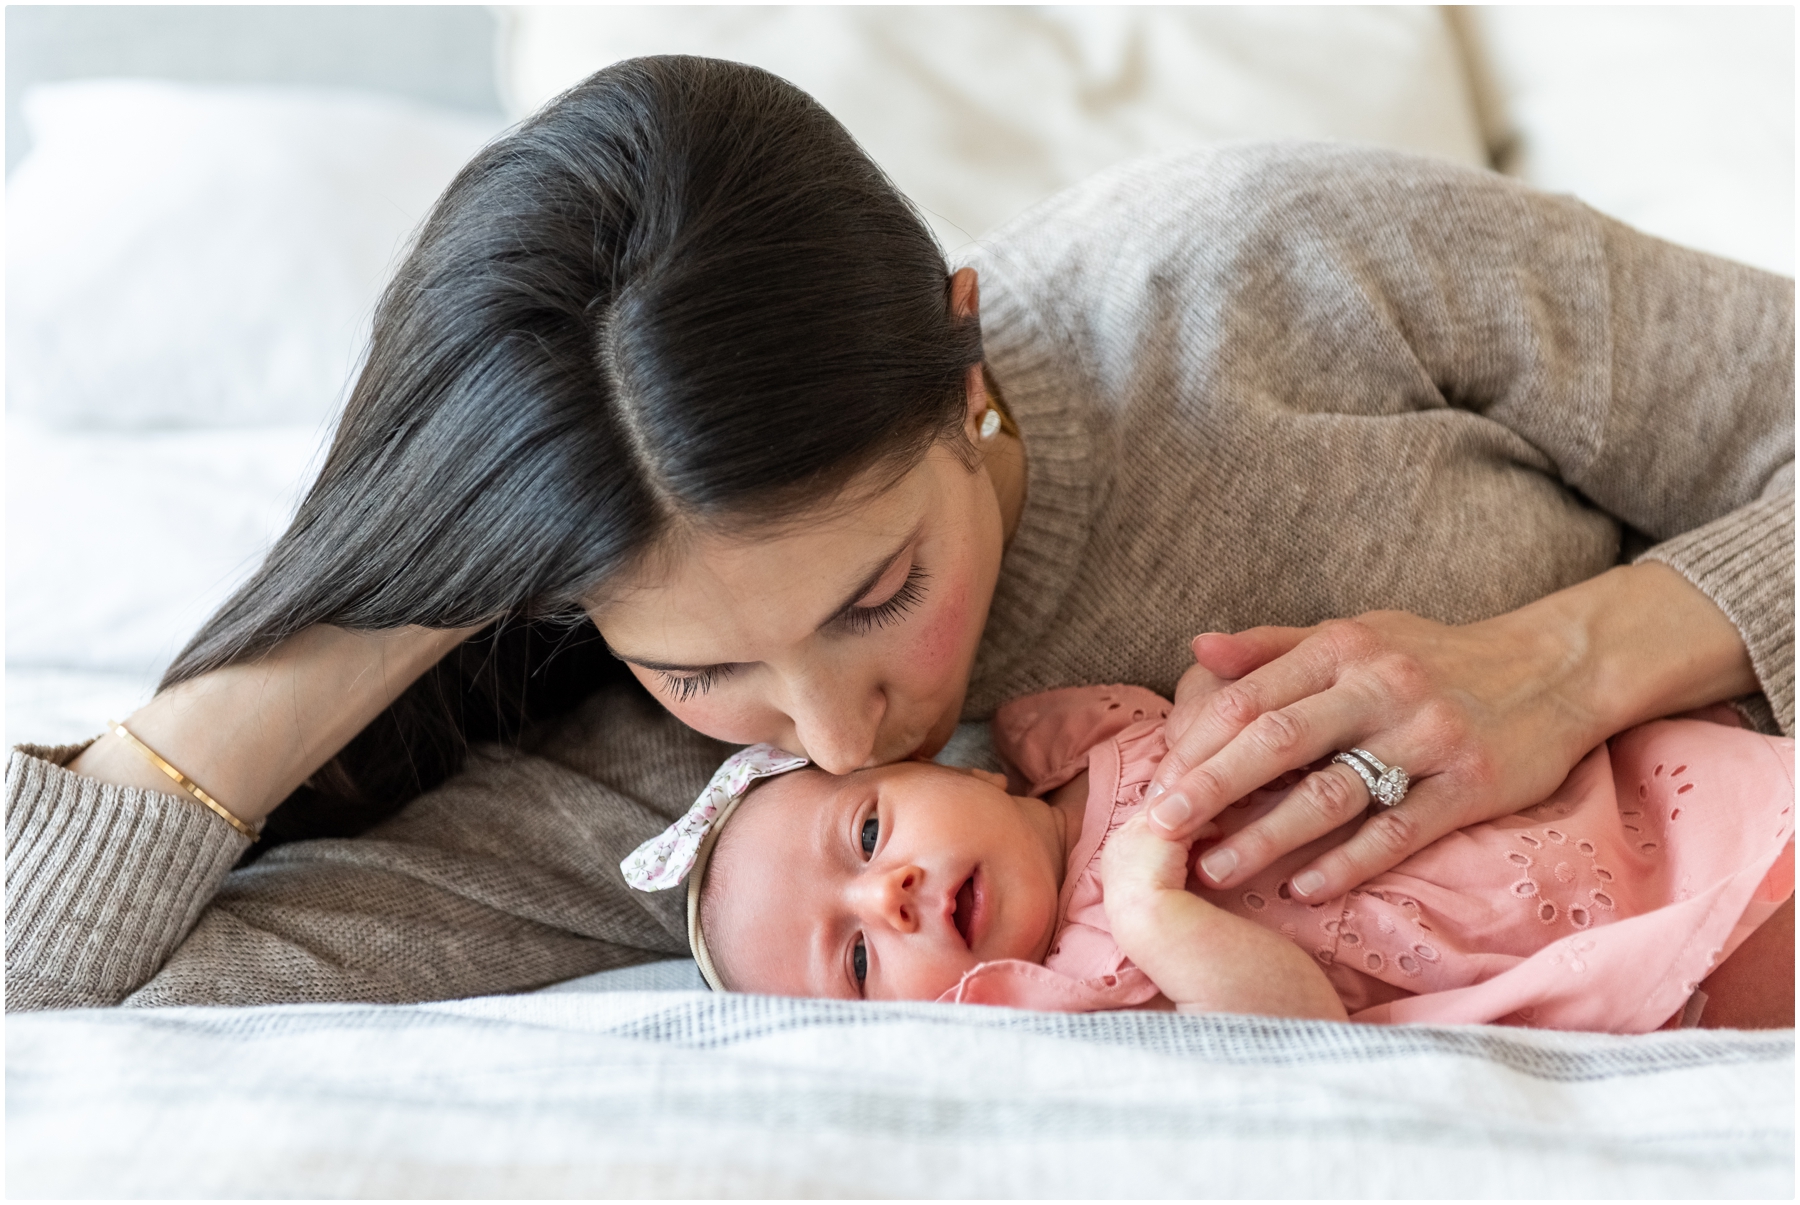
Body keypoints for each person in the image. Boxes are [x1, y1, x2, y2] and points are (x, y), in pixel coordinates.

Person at [6, 57, 1791, 1012]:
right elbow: (51, 974)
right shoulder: (648, 804)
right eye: (703, 662)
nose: (845, 737)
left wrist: (1582, 657)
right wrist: (405, 566)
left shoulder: (1278, 271)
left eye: (881, 591)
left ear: (959, 355)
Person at [643, 685, 1793, 1030]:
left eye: (870, 831)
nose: (885, 894)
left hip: (1578, 800)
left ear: (968, 770)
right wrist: (1153, 913)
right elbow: (1292, 1023)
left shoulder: (1088, 738)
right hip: (1523, 943)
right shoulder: (1078, 988)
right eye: (854, 958)